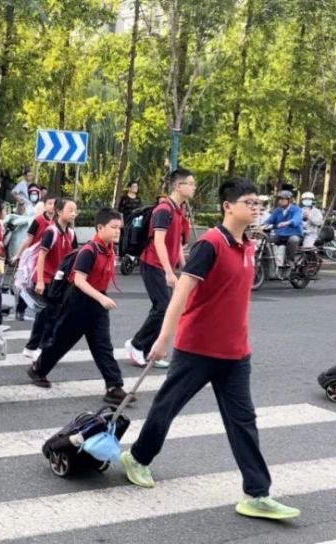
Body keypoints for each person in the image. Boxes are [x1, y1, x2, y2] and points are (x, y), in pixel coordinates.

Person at [120, 178, 301, 521]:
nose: (256, 207)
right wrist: (162, 339)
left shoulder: (248, 245)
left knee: (243, 421)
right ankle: (138, 458)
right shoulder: (210, 244)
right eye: (249, 201)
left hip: (235, 354)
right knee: (167, 407)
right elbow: (181, 294)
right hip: (197, 350)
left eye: (257, 202)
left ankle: (257, 494)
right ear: (228, 206)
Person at [26, 208, 134, 405]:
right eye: (114, 227)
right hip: (79, 302)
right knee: (61, 341)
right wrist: (100, 299)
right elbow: (79, 280)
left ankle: (114, 387)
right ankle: (38, 369)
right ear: (100, 227)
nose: (118, 231)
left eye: (120, 228)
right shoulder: (89, 250)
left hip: (97, 301)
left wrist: (101, 298)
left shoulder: (110, 249)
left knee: (103, 346)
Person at [124, 168, 195, 370]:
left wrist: (184, 269)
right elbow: (159, 242)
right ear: (177, 186)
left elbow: (178, 245)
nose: (193, 188)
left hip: (163, 266)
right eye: (189, 184)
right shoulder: (163, 210)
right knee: (163, 308)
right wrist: (168, 272)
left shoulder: (178, 211)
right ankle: (137, 345)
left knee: (164, 309)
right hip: (152, 264)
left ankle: (148, 350)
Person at [22, 197, 78, 360]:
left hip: (59, 281)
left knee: (45, 315)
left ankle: (32, 347)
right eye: (71, 210)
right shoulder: (51, 232)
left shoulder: (71, 234)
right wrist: (39, 280)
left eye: (75, 210)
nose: (74, 213)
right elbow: (41, 256)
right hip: (46, 279)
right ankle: (41, 347)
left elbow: (73, 259)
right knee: (52, 315)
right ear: (59, 212)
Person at [12, 194, 58, 322]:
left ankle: (42, 310)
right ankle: (20, 309)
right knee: (28, 283)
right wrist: (18, 254)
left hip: (49, 258)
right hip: (34, 257)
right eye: (49, 203)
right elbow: (28, 239)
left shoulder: (58, 223)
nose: (52, 207)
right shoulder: (38, 220)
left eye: (55, 204)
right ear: (44, 205)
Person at [262, 190, 303, 266]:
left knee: (293, 240)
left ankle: (290, 261)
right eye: (279, 199)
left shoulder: (296, 209)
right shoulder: (277, 210)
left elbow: (296, 220)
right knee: (267, 240)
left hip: (294, 234)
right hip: (280, 234)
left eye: (282, 199)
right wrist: (261, 226)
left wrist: (287, 223)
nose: (280, 201)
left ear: (289, 200)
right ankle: (270, 261)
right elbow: (269, 220)